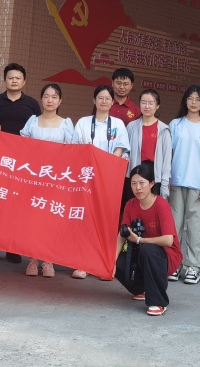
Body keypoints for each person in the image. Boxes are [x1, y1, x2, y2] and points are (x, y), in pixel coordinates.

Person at [70, 84, 130, 279]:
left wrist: (106, 166)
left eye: (107, 98)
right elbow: (75, 148)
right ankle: (82, 263)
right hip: (86, 179)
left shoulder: (118, 124)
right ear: (94, 100)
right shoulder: (83, 123)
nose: (104, 101)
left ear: (112, 102)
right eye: (100, 98)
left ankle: (103, 265)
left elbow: (121, 149)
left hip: (108, 180)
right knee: (85, 220)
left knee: (106, 222)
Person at [0, 63, 40, 264]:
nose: (14, 81)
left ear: (24, 81)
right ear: (5, 80)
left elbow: (37, 130)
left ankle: (12, 248)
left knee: (16, 204)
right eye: (10, 77)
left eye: (18, 78)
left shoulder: (32, 104)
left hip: (23, 163)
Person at [19, 83, 74, 278]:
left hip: (56, 179)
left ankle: (48, 260)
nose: (50, 100)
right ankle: (32, 259)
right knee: (32, 220)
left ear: (60, 101)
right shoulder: (32, 121)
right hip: (33, 178)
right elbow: (22, 146)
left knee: (51, 220)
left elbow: (72, 151)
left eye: (54, 97)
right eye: (46, 96)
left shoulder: (66, 123)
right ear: (41, 99)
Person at [114, 162, 182, 317]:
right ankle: (141, 289)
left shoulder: (161, 205)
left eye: (142, 183)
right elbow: (122, 234)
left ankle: (158, 301)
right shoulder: (130, 204)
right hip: (142, 253)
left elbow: (168, 241)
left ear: (151, 184)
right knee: (117, 261)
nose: (138, 188)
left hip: (166, 255)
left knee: (148, 250)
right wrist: (112, 260)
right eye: (133, 183)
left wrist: (139, 240)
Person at [167, 84, 200, 285]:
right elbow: (169, 153)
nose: (194, 102)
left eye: (197, 99)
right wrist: (167, 178)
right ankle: (174, 264)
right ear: (185, 101)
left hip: (197, 183)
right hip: (176, 182)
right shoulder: (175, 124)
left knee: (196, 227)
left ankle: (194, 267)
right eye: (190, 98)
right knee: (174, 226)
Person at [125, 88, 172, 200]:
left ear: (157, 106)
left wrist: (165, 183)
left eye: (151, 103)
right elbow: (126, 150)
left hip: (154, 173)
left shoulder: (164, 129)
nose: (147, 106)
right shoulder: (131, 126)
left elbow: (167, 159)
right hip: (135, 172)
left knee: (152, 206)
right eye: (143, 102)